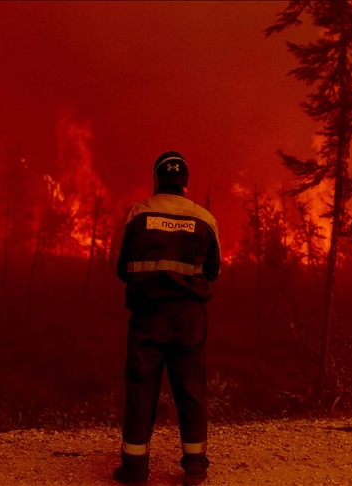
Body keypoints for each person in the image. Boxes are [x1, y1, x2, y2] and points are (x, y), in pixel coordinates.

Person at [108, 151, 221, 485]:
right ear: (185, 184)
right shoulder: (204, 219)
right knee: (191, 391)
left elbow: (119, 267)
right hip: (190, 320)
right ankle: (195, 468)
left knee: (142, 390)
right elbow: (212, 272)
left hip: (147, 318)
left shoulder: (136, 215)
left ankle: (134, 470)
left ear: (156, 180)